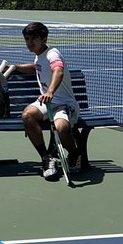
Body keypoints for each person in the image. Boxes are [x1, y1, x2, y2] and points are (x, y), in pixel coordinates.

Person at [11, 21, 81, 181]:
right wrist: (16, 67)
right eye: (27, 39)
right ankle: (46, 158)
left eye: (33, 39)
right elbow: (37, 66)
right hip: (47, 104)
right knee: (27, 115)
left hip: (65, 104)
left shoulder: (53, 54)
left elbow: (58, 70)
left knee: (61, 128)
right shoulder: (39, 57)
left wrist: (50, 91)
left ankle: (75, 154)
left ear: (44, 38)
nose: (30, 43)